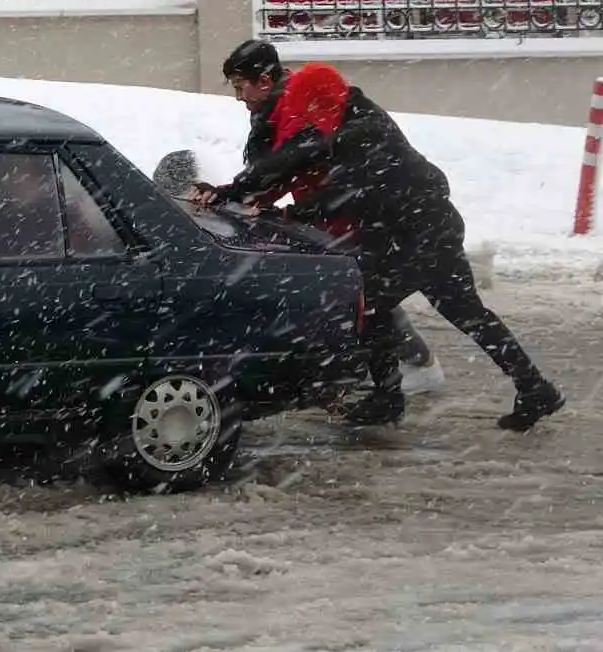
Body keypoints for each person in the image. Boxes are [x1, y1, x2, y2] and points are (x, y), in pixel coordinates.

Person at [197, 61, 565, 431]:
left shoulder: (361, 130)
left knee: (369, 304)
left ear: (320, 100)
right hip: (421, 227)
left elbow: (347, 193)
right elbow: (292, 158)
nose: (306, 117)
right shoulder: (348, 113)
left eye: (308, 108)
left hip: (421, 233)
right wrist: (235, 190)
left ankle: (388, 397)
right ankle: (533, 387)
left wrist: (293, 211)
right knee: (465, 312)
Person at [217, 40, 446, 397]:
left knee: (364, 294)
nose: (237, 97)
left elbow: (297, 155)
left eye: (239, 86)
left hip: (354, 207)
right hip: (330, 208)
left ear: (263, 80)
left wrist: (239, 192)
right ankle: (383, 373)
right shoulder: (272, 109)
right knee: (359, 295)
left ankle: (412, 368)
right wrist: (245, 196)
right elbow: (280, 166)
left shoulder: (302, 94)